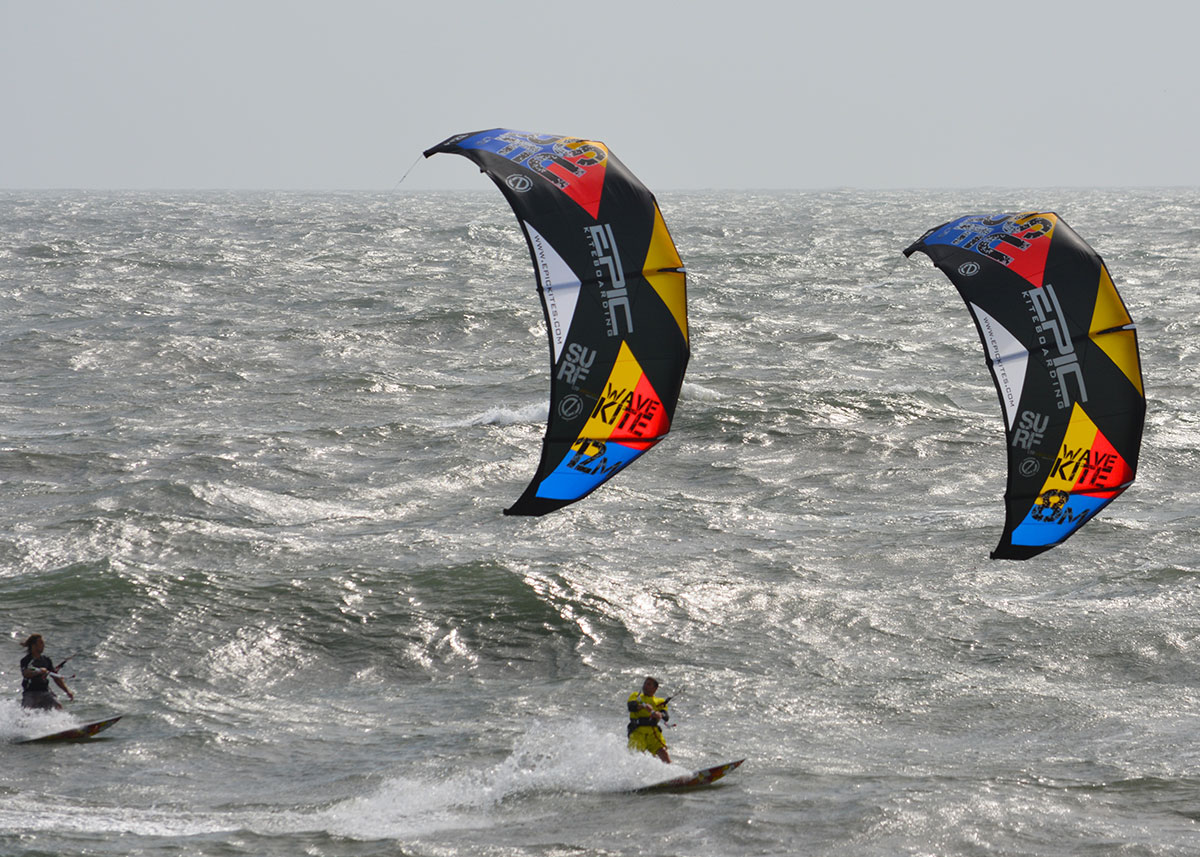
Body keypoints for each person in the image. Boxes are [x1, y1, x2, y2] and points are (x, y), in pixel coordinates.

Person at [20, 634, 73, 710]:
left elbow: (56, 677)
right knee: (26, 711)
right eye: (41, 643)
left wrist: (67, 691)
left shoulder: (46, 660)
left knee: (58, 706)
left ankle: (60, 722)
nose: (43, 645)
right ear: (33, 645)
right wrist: (39, 671)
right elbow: (26, 673)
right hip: (30, 693)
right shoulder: (26, 660)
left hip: (44, 692)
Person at [627, 675, 671, 763]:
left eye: (648, 684)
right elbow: (631, 706)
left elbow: (666, 716)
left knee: (662, 751)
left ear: (655, 688)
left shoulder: (660, 702)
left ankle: (673, 773)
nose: (645, 686)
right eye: (645, 684)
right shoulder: (636, 695)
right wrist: (642, 706)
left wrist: (659, 715)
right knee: (637, 756)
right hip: (637, 731)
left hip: (653, 732)